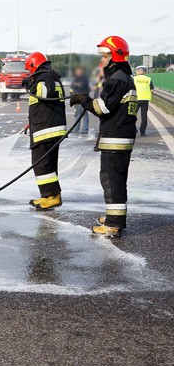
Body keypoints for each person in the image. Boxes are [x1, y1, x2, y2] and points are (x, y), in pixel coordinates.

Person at [69, 36, 137, 238]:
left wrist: (84, 100)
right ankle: (113, 217)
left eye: (104, 56)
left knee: (111, 179)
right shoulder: (124, 77)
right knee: (116, 179)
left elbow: (102, 107)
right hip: (121, 136)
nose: (101, 61)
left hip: (115, 138)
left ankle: (114, 224)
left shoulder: (117, 79)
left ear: (114, 56)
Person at [22, 52, 67, 210]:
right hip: (49, 126)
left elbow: (45, 94)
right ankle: (52, 195)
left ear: (34, 65)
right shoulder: (51, 76)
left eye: (30, 71)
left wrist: (29, 84)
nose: (30, 74)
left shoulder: (45, 78)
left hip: (46, 129)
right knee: (48, 164)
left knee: (41, 165)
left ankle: (51, 196)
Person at [69, 66, 91, 134]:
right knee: (77, 115)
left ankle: (84, 130)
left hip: (82, 99)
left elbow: (81, 85)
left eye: (79, 71)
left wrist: (76, 85)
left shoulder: (84, 78)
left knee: (84, 115)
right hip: (76, 100)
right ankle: (76, 129)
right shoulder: (76, 79)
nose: (77, 72)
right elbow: (72, 87)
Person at [134, 65, 155, 136]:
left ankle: (134, 129)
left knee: (132, 115)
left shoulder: (134, 79)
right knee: (144, 116)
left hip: (136, 99)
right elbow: (152, 90)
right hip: (145, 99)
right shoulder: (148, 79)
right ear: (145, 72)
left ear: (137, 72)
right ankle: (142, 132)